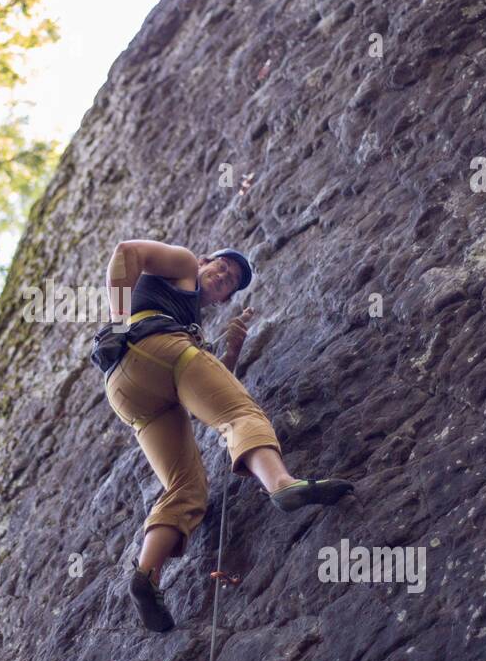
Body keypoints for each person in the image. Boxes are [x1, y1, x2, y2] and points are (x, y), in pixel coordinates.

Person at [102, 239, 354, 632]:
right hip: (158, 348)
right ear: (202, 262)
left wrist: (232, 349)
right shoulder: (183, 264)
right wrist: (118, 320)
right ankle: (282, 483)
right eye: (221, 268)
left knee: (186, 488)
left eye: (231, 282)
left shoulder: (188, 318)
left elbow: (204, 391)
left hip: (127, 389)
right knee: (240, 413)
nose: (223, 277)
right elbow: (127, 252)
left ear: (223, 301)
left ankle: (146, 576)